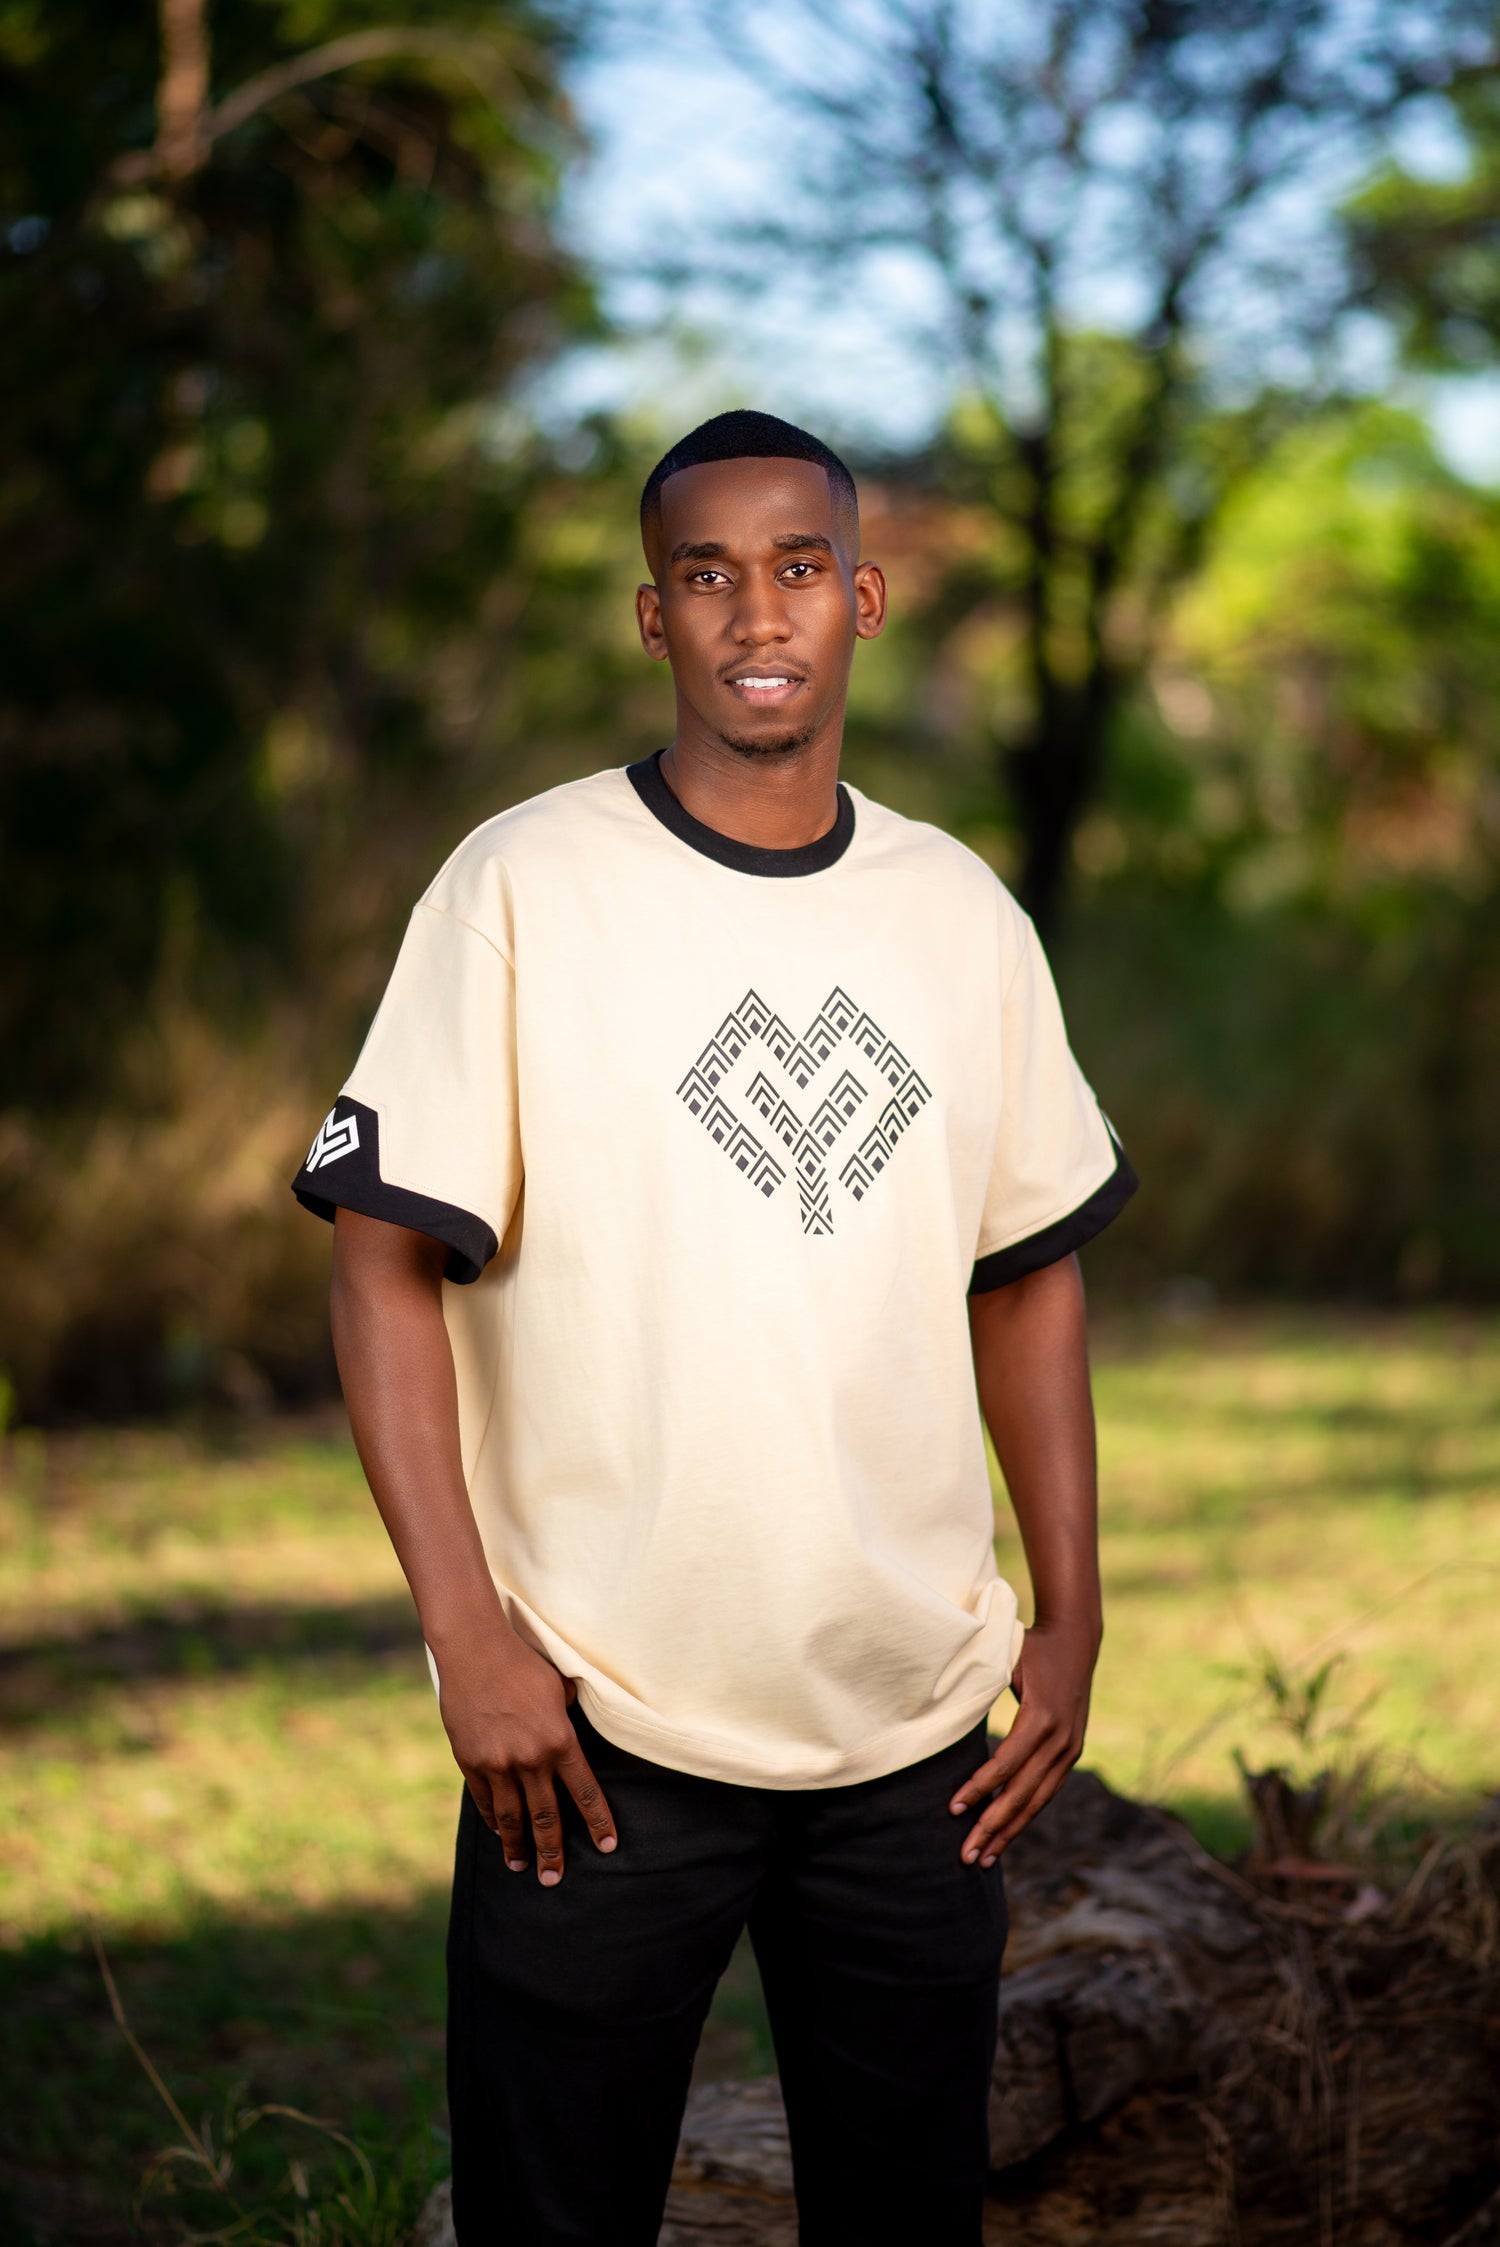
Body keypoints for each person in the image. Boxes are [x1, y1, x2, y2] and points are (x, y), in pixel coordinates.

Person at [292, 408, 1137, 2247]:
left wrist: (1071, 1616)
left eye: (801, 567)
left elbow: (1029, 1270)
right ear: (652, 615)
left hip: (919, 1733)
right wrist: (469, 1641)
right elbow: (377, 1261)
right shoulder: (523, 886)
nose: (760, 611)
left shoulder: (959, 914)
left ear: (866, 601)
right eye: (708, 574)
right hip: (593, 1727)